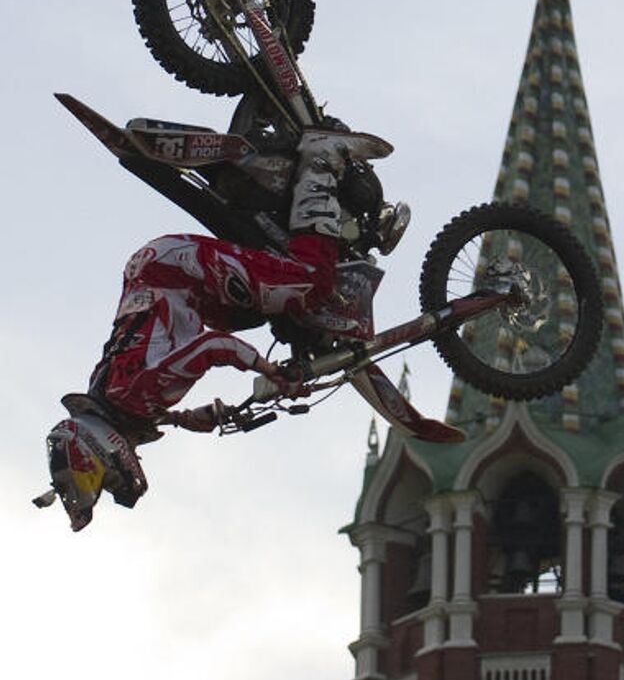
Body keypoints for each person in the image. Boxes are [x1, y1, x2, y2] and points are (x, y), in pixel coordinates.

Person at [35, 126, 392, 532]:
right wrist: (197, 417)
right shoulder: (121, 399)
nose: (120, 476)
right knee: (265, 309)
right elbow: (171, 377)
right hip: (167, 278)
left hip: (177, 272)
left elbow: (212, 348)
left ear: (99, 450)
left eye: (105, 476)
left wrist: (267, 370)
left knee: (307, 285)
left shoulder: (137, 396)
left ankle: (324, 158)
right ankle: (295, 211)